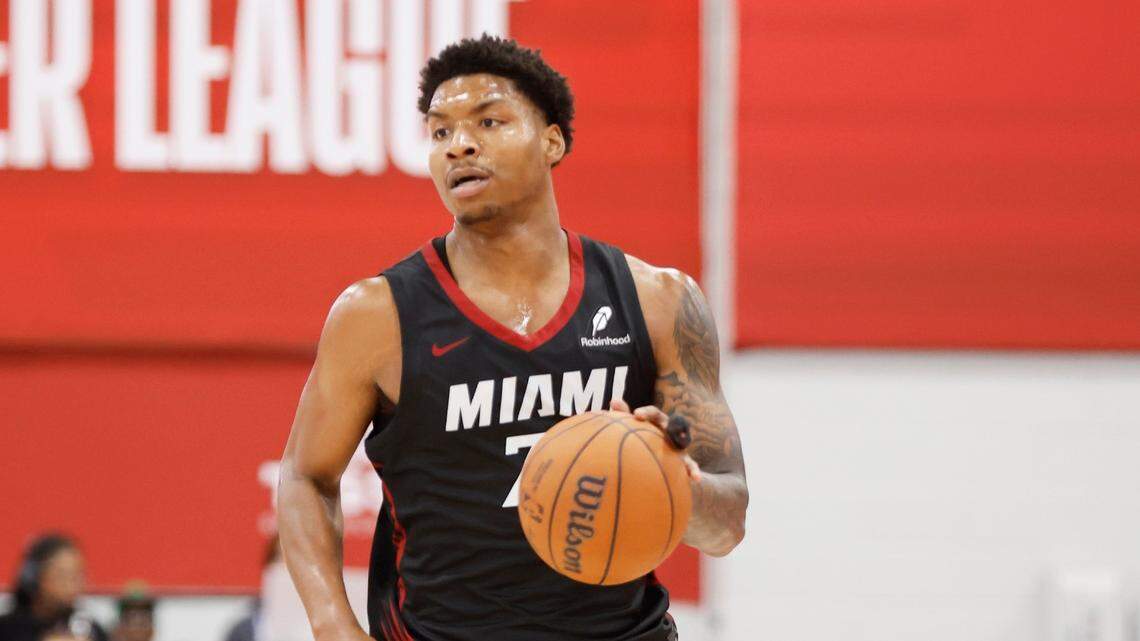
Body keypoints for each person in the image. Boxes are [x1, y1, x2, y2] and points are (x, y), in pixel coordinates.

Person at [276, 35, 748, 641]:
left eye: (489, 120)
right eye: (440, 132)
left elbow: (726, 525)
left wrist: (676, 480)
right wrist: (333, 626)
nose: (460, 145)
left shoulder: (659, 300)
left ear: (553, 140)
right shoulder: (377, 314)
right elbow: (304, 478)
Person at [0, 534, 109, 641]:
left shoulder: (90, 629)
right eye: (63, 575)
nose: (73, 584)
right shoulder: (7, 629)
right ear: (34, 577)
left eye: (78, 575)